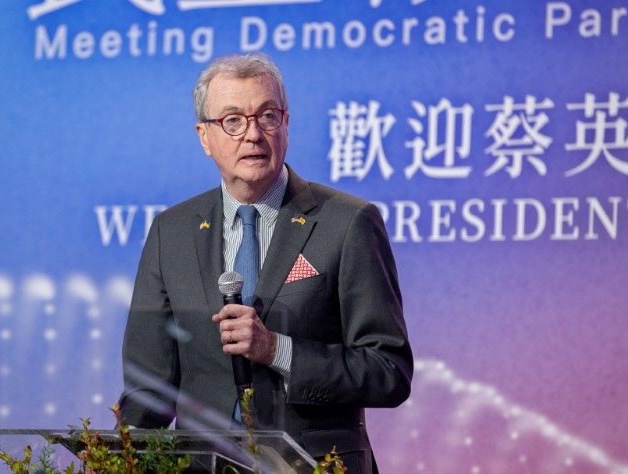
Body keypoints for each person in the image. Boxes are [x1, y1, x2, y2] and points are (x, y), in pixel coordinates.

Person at [117, 53, 412, 473]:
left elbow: (389, 371)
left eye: (267, 116)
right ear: (204, 136)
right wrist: (116, 459)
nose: (252, 134)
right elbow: (149, 390)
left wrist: (277, 350)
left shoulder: (346, 223)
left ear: (286, 124)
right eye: (232, 120)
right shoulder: (172, 232)